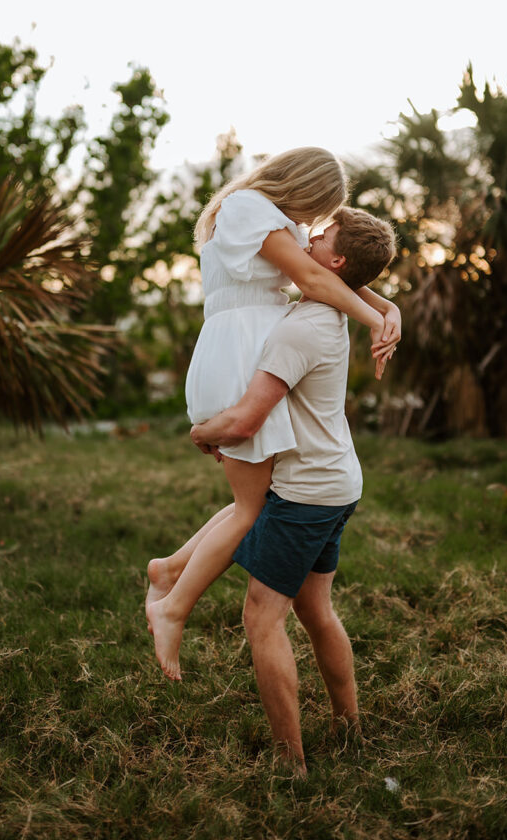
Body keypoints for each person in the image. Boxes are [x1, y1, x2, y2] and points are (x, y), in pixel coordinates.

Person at [146, 149, 400, 680]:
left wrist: (385, 307)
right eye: (317, 209)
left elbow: (326, 270)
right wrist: (372, 320)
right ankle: (170, 605)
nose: (311, 223)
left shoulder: (268, 217)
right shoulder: (246, 207)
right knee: (247, 509)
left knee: (253, 501)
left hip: (247, 349)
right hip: (240, 352)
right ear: (304, 187)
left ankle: (168, 570)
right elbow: (312, 276)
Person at [188, 207, 397, 775]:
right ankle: (348, 730)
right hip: (337, 480)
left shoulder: (299, 328)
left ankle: (290, 764)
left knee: (262, 617)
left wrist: (201, 430)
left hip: (306, 491)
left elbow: (246, 421)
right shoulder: (324, 310)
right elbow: (340, 282)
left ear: (335, 260)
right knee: (315, 608)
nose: (307, 233)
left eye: (321, 234)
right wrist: (385, 304)